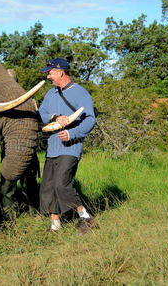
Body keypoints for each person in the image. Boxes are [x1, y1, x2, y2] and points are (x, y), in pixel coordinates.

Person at [38, 58, 96, 234]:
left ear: (60, 72)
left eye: (50, 73)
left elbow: (90, 119)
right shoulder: (51, 94)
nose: (48, 77)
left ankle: (85, 217)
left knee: (61, 184)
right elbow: (41, 113)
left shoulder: (80, 93)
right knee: (48, 186)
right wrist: (55, 117)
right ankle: (55, 226)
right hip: (52, 147)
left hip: (71, 147)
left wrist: (72, 133)